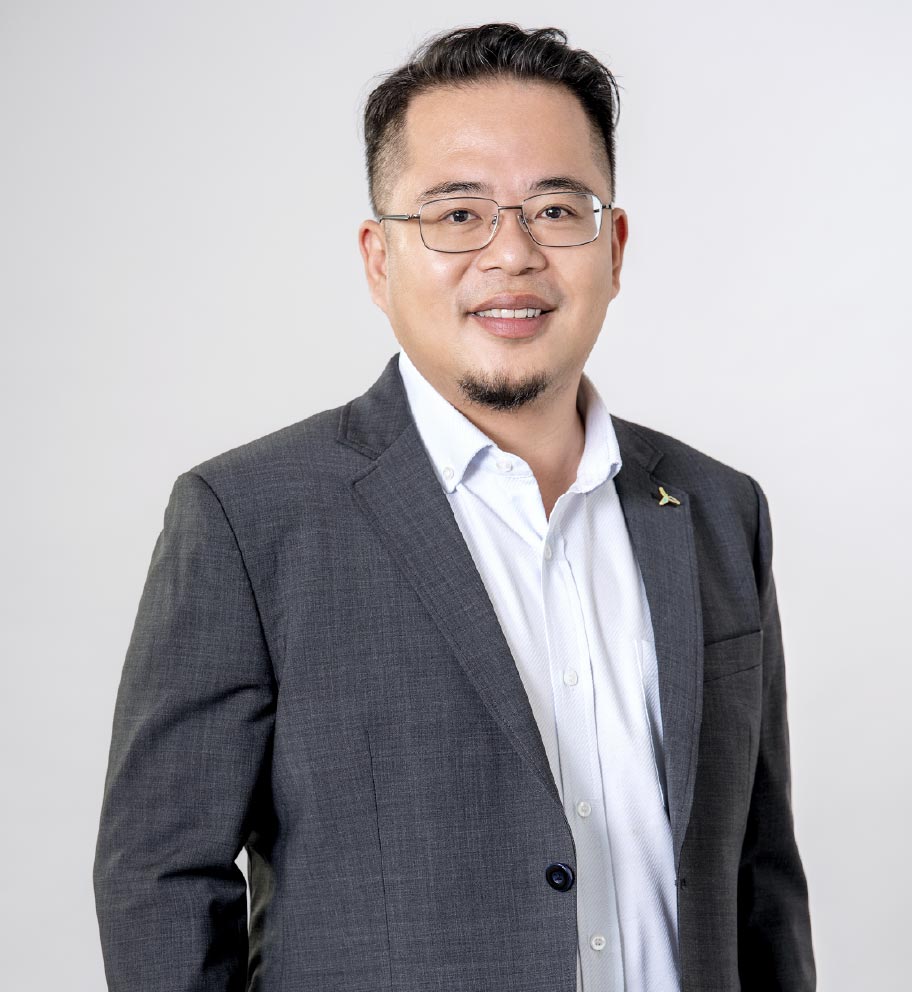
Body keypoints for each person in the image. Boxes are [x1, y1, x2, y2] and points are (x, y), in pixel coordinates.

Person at [93, 22, 815, 992]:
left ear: (613, 247)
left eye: (556, 208)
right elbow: (158, 881)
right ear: (378, 258)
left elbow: (761, 878)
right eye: (458, 212)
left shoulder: (717, 509)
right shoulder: (248, 519)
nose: (511, 253)